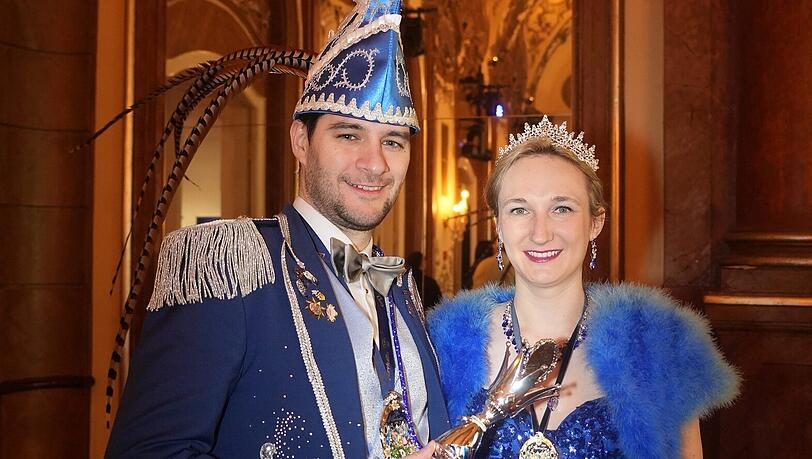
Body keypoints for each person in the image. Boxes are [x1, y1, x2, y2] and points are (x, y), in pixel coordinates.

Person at [105, 1, 448, 457]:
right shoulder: (233, 265)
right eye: (348, 135)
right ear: (301, 142)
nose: (375, 163)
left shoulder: (401, 289)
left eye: (392, 141)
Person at [428, 117, 739, 458]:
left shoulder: (656, 348)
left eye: (561, 208)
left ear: (595, 222)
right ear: (499, 226)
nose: (540, 232)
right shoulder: (441, 348)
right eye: (520, 209)